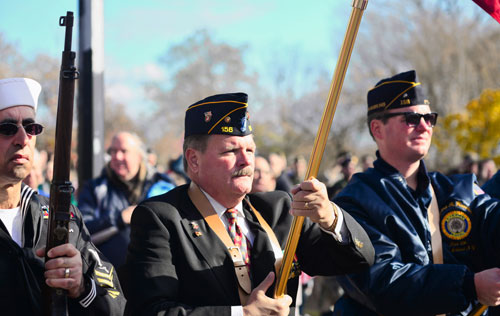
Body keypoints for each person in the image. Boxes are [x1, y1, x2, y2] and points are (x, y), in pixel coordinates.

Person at [124, 92, 374, 316]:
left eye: (251, 150)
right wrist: (241, 314)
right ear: (193, 160)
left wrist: (330, 218)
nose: (246, 161)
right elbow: (149, 310)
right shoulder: (162, 217)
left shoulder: (279, 209)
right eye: (230, 151)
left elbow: (359, 260)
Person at [332, 70, 500, 315]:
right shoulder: (352, 202)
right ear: (377, 129)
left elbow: (493, 222)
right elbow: (380, 282)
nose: (424, 126)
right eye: (411, 119)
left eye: (429, 118)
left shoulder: (457, 190)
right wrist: (469, 285)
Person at [0, 77, 124, 314]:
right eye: (7, 129)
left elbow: (117, 304)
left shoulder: (61, 215)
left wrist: (82, 287)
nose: (23, 139)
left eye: (31, 128)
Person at [78, 131, 175, 268]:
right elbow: (81, 230)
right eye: (113, 151)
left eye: (124, 151)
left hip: (154, 275)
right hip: (109, 278)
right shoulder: (95, 188)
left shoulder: (162, 186)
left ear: (139, 156)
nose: (117, 156)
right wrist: (119, 218)